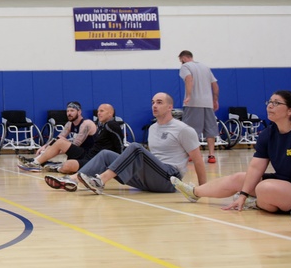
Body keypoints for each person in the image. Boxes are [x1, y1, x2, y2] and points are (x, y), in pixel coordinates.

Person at [170, 91, 291, 239]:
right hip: (284, 183)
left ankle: (259, 202)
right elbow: (255, 167)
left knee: (265, 188)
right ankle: (194, 192)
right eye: (269, 102)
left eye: (276, 103)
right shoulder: (268, 134)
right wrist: (242, 195)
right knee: (240, 178)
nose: (270, 106)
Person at [66, 92, 205, 195]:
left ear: (170, 107)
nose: (154, 105)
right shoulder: (153, 128)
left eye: (159, 102)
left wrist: (203, 189)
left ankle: (100, 181)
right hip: (148, 179)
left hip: (170, 180)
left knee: (135, 147)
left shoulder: (183, 129)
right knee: (106, 154)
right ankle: (72, 180)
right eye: (153, 102)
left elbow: (198, 161)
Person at [42, 104, 126, 190]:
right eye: (98, 111)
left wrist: (119, 165)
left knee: (68, 165)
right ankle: (60, 170)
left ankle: (69, 178)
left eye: (102, 111)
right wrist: (46, 146)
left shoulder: (111, 125)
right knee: (67, 161)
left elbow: (119, 144)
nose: (98, 113)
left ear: (110, 113)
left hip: (99, 161)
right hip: (89, 156)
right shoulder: (101, 126)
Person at [18, 102, 97, 172]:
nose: (69, 113)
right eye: (68, 111)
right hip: (79, 153)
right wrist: (45, 147)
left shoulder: (86, 124)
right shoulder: (69, 124)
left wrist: (56, 149)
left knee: (61, 142)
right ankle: (39, 161)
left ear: (79, 112)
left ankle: (35, 163)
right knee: (59, 141)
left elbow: (76, 144)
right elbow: (58, 138)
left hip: (88, 154)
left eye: (72, 111)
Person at [178, 50, 219, 163]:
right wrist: (215, 100)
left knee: (191, 130)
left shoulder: (185, 66)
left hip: (193, 103)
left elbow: (189, 79)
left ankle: (193, 155)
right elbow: (215, 85)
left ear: (183, 58)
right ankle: (211, 155)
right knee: (210, 129)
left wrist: (189, 95)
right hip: (208, 103)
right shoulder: (205, 67)